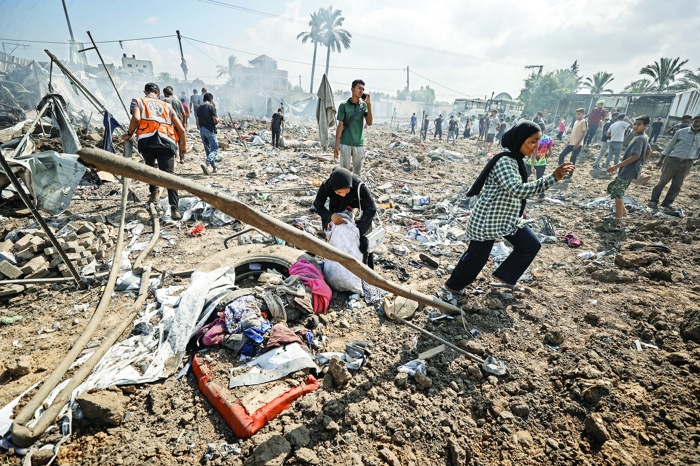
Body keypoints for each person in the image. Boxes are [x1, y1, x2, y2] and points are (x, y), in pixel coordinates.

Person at [437, 122, 574, 303]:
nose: (536, 147)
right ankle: (451, 288)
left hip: (507, 217)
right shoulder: (505, 161)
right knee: (476, 258)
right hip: (488, 218)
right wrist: (552, 178)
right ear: (519, 140)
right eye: (532, 142)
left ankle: (505, 278)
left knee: (530, 244)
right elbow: (517, 189)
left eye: (538, 142)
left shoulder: (516, 159)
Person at [122, 82, 186, 220]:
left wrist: (129, 133)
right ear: (158, 94)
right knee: (170, 176)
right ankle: (175, 209)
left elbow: (136, 118)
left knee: (150, 168)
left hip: (147, 141)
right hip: (167, 140)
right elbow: (181, 129)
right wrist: (183, 145)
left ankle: (154, 193)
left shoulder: (138, 101)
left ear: (145, 92)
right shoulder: (167, 106)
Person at [313, 167, 377, 268]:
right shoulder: (327, 186)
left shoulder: (358, 185)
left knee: (363, 247)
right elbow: (317, 205)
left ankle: (365, 270)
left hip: (359, 216)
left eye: (346, 191)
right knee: (337, 242)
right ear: (333, 187)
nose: (343, 195)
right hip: (336, 211)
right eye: (339, 192)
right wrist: (330, 216)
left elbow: (372, 208)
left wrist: (358, 229)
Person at [649, 115, 700, 211]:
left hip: (688, 163)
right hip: (673, 161)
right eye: (696, 121)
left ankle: (667, 203)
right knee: (662, 181)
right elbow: (670, 146)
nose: (697, 124)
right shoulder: (681, 132)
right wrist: (661, 160)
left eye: (699, 122)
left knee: (677, 185)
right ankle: (653, 201)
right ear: (692, 121)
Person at [606, 116, 652, 218]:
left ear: (646, 126)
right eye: (635, 124)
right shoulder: (643, 137)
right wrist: (641, 165)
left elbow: (635, 156)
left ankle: (618, 215)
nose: (635, 126)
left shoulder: (640, 139)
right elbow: (649, 151)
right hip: (628, 169)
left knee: (618, 191)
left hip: (628, 170)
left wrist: (615, 166)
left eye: (639, 124)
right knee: (614, 187)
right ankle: (622, 210)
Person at [334, 79, 373, 175]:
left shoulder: (364, 106)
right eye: (359, 88)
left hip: (359, 143)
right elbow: (340, 126)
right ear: (352, 89)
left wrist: (369, 104)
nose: (361, 91)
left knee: (357, 173)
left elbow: (369, 123)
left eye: (363, 89)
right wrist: (336, 145)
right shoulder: (344, 106)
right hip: (346, 142)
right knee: (343, 173)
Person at [557, 108, 587, 179]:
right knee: (561, 155)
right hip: (571, 143)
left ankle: (570, 174)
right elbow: (573, 133)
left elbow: (584, 133)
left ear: (583, 114)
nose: (577, 115)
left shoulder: (583, 121)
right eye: (576, 114)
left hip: (577, 144)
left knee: (572, 160)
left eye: (579, 114)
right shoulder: (576, 122)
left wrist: (578, 144)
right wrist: (569, 140)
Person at [196, 92, 219, 173]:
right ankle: (206, 163)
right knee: (215, 149)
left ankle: (214, 167)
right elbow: (215, 121)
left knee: (208, 150)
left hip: (202, 130)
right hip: (210, 130)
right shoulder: (212, 107)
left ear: (203, 100)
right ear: (211, 100)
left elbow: (197, 122)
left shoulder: (199, 108)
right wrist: (218, 119)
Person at [526, 134, 553, 200]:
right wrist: (544, 158)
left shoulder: (534, 138)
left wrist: (532, 166)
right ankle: (541, 196)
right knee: (540, 179)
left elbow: (534, 153)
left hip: (531, 162)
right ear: (544, 129)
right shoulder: (548, 139)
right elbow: (550, 152)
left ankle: (521, 192)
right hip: (542, 163)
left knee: (524, 176)